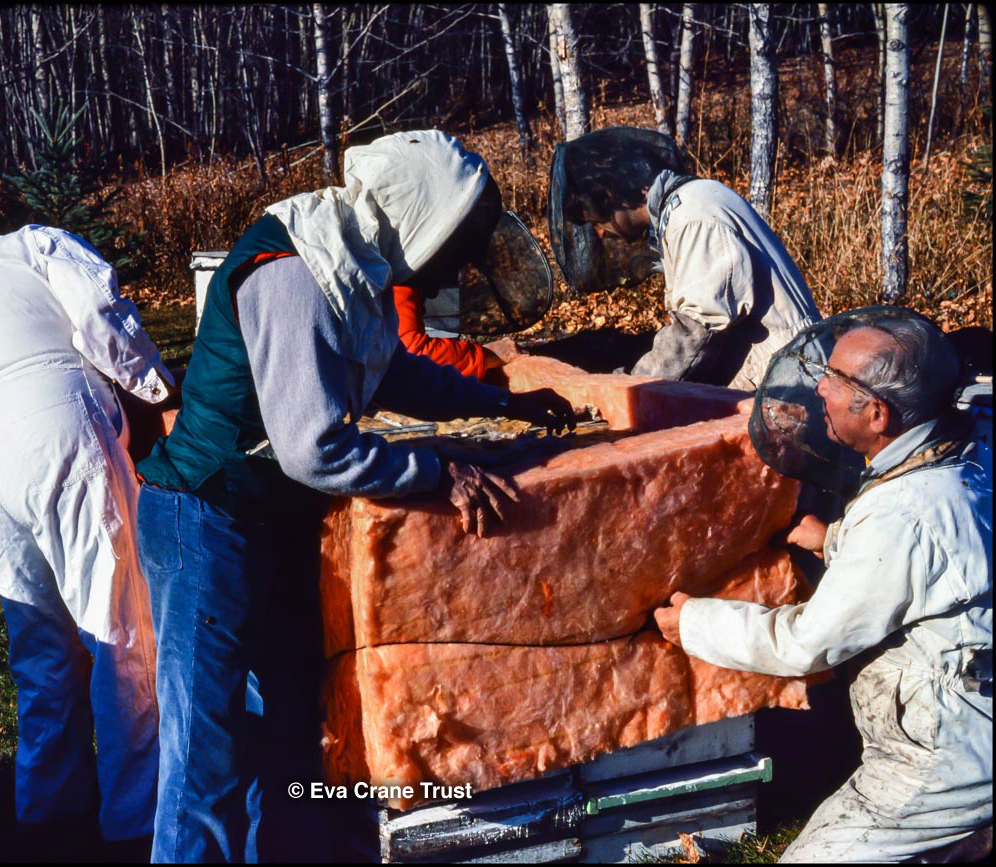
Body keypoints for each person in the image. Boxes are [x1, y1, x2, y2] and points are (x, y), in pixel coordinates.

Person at [134, 130, 576, 862]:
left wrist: (507, 402)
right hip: (205, 519)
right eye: (451, 244)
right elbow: (311, 447)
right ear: (418, 216)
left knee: (284, 731)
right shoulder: (296, 274)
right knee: (205, 756)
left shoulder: (352, 266)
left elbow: (395, 372)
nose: (449, 269)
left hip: (265, 520)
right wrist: (437, 475)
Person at [654, 313, 992, 862]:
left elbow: (805, 643)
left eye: (835, 380)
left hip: (949, 754)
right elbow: (939, 557)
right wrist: (835, 539)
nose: (819, 389)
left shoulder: (902, 513)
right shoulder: (965, 454)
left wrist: (692, 622)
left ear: (878, 414)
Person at [0, 225, 174, 849]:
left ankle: (49, 808)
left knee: (39, 638)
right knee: (119, 626)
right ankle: (135, 820)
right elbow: (99, 312)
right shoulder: (36, 243)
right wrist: (158, 388)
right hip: (60, 420)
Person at [548, 126, 822, 391]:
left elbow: (697, 331)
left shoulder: (692, 216)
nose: (599, 233)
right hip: (780, 372)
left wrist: (630, 390)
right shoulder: (689, 204)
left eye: (596, 220)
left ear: (610, 195)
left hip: (788, 385)